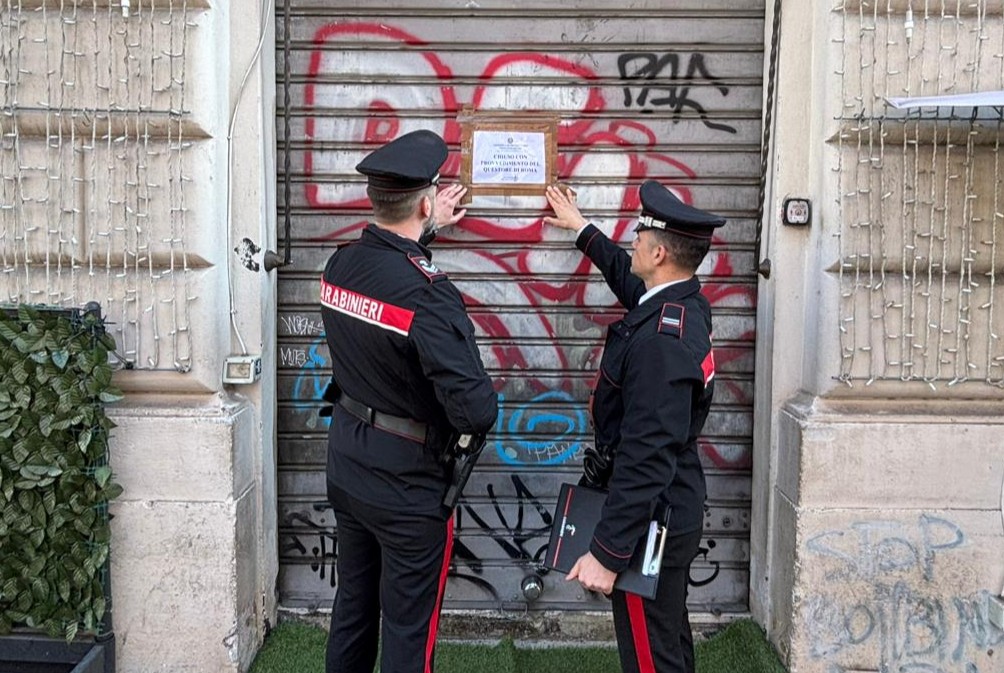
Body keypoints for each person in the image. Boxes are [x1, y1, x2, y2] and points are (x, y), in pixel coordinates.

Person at [319, 129, 498, 673]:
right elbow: (477, 409)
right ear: (425, 201)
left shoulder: (340, 265)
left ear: (375, 199)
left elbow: (388, 282)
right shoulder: (429, 293)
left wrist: (427, 229)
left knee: (353, 608)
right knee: (405, 630)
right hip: (408, 489)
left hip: (349, 464)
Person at [543, 181, 725, 673]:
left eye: (640, 235)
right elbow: (629, 279)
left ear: (660, 252)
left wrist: (607, 551)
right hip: (672, 506)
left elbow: (647, 456)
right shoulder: (682, 304)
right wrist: (583, 229)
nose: (633, 240)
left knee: (650, 656)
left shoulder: (661, 343)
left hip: (653, 522)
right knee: (666, 640)